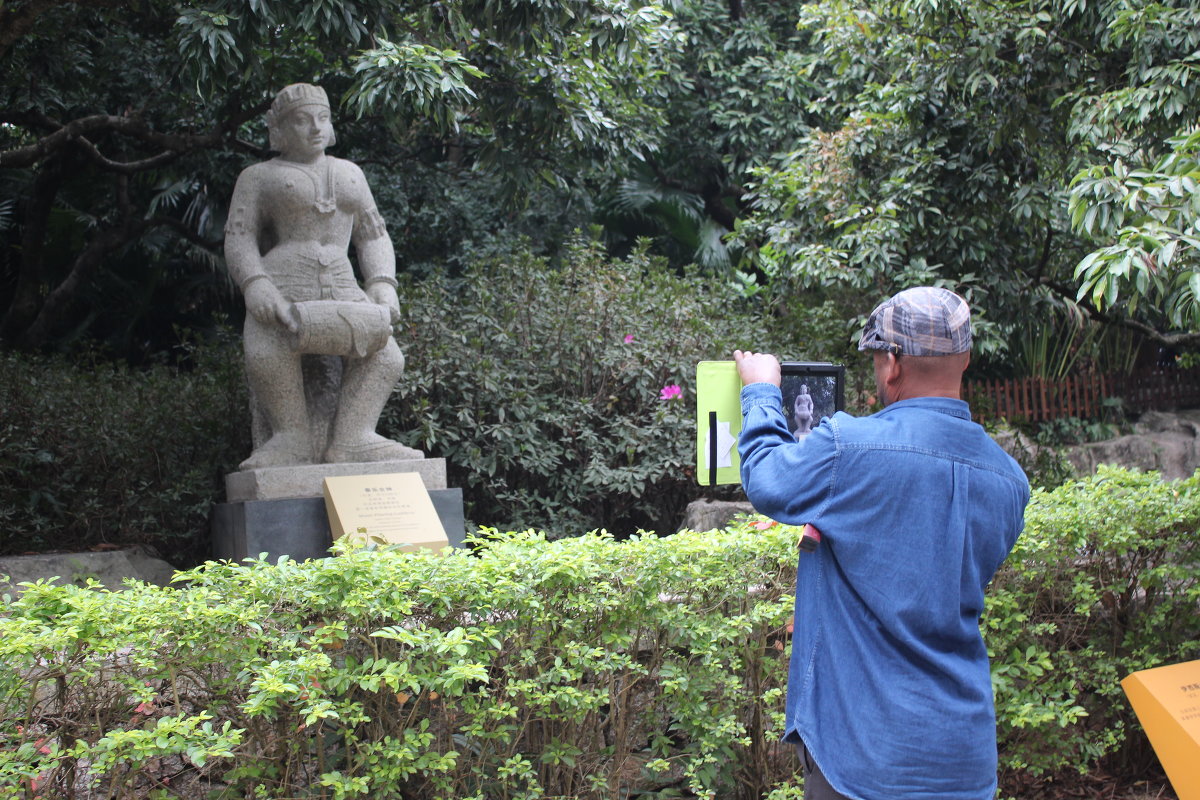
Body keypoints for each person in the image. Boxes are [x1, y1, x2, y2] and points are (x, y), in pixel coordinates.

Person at [734, 287, 1029, 800]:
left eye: (876, 358)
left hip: (862, 756)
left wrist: (761, 391)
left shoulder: (849, 447)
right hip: (963, 755)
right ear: (966, 359)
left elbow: (768, 481)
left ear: (892, 364)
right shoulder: (1010, 482)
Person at [224, 83, 421, 469]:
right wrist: (255, 284)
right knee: (267, 345)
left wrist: (382, 283)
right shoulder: (258, 177)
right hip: (285, 282)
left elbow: (373, 235)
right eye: (301, 120)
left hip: (344, 285)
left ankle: (353, 437)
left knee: (386, 356)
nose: (315, 127)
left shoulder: (350, 174)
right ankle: (290, 437)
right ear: (279, 130)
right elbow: (239, 238)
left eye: (323, 117)